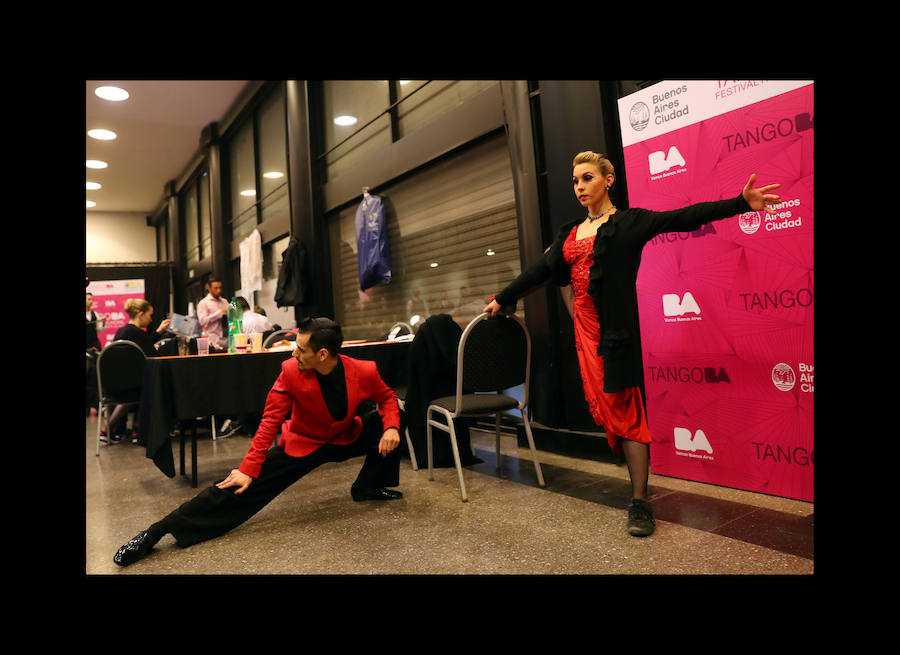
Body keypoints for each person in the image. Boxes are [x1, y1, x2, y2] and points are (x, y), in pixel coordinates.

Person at [484, 151, 781, 538]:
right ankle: (637, 490)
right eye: (575, 181)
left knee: (627, 414)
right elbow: (541, 271)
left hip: (615, 336)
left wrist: (741, 203)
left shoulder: (629, 223)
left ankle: (640, 501)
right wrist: (503, 297)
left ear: (609, 180)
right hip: (584, 334)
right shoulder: (570, 233)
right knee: (613, 416)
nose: (579, 187)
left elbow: (685, 215)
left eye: (587, 178)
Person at [113, 317, 403, 567]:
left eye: (301, 349)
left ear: (323, 354)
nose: (294, 352)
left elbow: (387, 398)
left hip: (343, 437)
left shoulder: (364, 371)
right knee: (237, 487)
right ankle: (155, 533)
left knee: (394, 417)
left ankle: (368, 486)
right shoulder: (290, 371)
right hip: (304, 445)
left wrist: (390, 427)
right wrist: (248, 468)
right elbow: (269, 422)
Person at [103, 299, 172, 442]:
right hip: (133, 389)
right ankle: (139, 428)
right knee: (158, 383)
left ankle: (121, 429)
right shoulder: (138, 334)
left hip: (114, 388)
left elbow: (144, 345)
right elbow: (154, 355)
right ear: (141, 314)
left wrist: (157, 333)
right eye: (149, 315)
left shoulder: (122, 331)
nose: (151, 319)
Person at [196, 278, 229, 348]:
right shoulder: (203, 303)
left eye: (220, 288)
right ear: (209, 288)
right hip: (211, 341)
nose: (219, 290)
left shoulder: (225, 302)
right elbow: (202, 321)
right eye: (216, 288)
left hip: (226, 339)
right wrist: (218, 314)